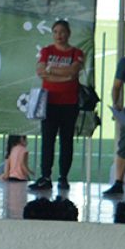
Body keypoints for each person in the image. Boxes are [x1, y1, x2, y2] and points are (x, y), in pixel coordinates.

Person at [31, 18, 85, 193]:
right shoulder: (47, 51)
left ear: (68, 33)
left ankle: (63, 177)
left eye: (62, 32)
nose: (58, 35)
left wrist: (51, 71)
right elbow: (40, 71)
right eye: (55, 32)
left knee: (66, 141)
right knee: (47, 140)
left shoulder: (76, 52)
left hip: (69, 103)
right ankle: (45, 176)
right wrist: (61, 75)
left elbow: (72, 73)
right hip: (49, 102)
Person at [105, 51, 125, 199]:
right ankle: (118, 182)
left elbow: (116, 86)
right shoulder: (124, 62)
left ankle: (118, 182)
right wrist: (116, 104)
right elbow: (116, 86)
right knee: (124, 145)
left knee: (124, 145)